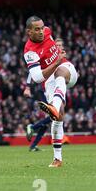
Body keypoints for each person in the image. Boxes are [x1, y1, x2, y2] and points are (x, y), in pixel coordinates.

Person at [23, 16, 78, 167]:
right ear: (29, 32)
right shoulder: (29, 52)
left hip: (67, 70)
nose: (41, 31)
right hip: (50, 81)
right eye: (37, 29)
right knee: (58, 116)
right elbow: (38, 78)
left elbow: (53, 46)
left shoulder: (48, 32)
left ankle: (54, 106)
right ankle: (57, 159)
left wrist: (59, 57)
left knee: (60, 72)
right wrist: (56, 62)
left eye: (42, 28)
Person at [25, 38, 66, 152]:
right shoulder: (47, 56)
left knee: (52, 119)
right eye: (56, 45)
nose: (58, 47)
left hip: (57, 87)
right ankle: (32, 127)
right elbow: (32, 72)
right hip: (48, 88)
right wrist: (28, 87)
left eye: (60, 45)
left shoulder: (60, 57)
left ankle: (33, 145)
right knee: (55, 114)